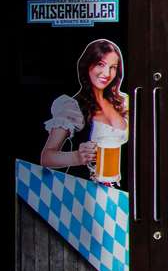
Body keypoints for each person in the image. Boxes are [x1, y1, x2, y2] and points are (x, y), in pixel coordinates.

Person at [39, 39, 128, 180]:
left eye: (113, 67)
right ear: (88, 66)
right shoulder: (72, 106)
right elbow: (47, 157)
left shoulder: (124, 102)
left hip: (123, 193)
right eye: (101, 64)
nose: (106, 73)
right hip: (85, 191)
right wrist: (76, 157)